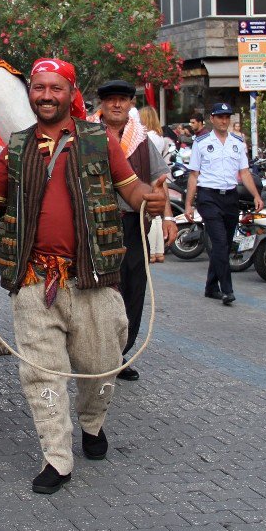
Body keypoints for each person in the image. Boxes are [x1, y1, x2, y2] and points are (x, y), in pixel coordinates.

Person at [0, 58, 167, 494]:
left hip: (94, 279)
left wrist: (149, 200)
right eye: (38, 87)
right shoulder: (18, 145)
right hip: (32, 282)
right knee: (41, 374)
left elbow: (132, 189)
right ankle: (57, 458)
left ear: (70, 92)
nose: (45, 95)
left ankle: (92, 423)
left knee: (101, 370)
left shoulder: (100, 141)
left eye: (54, 88)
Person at [93, 83, 177, 383]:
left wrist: (168, 217)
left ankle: (120, 353)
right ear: (101, 104)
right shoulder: (86, 135)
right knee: (96, 287)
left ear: (131, 104)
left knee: (132, 287)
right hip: (94, 224)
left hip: (131, 222)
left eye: (123, 100)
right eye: (111, 100)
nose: (117, 105)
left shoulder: (142, 140)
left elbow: (158, 182)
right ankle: (94, 352)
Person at [183, 103, 263, 306]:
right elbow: (194, 175)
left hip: (230, 196)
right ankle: (227, 289)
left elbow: (244, 173)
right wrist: (188, 205)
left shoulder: (237, 142)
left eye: (227, 117)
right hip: (208, 196)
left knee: (225, 244)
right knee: (219, 242)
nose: (224, 121)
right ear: (212, 119)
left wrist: (255, 195)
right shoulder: (201, 142)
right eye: (220, 117)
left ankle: (211, 286)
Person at [140, 106, 171, 264]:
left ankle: (152, 252)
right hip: (159, 173)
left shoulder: (146, 136)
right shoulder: (160, 136)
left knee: (150, 216)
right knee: (157, 218)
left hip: (148, 176)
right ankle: (159, 251)